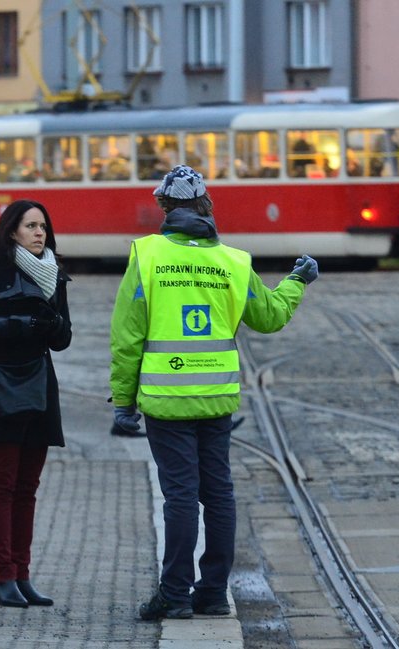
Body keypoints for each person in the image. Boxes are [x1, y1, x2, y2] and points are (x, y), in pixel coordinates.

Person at [109, 165, 318, 620]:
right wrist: (297, 281)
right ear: (206, 205)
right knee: (218, 492)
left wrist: (124, 403)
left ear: (164, 206)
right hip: (217, 396)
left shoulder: (146, 256)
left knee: (180, 495)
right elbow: (270, 317)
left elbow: (128, 337)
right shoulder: (234, 261)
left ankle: (175, 595)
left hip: (167, 399)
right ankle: (212, 593)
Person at [0, 199, 72, 608]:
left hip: (39, 385)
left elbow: (63, 339)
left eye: (43, 225)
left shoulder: (54, 272)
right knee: (2, 484)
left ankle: (23, 575)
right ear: (12, 232)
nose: (39, 233)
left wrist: (52, 324)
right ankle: (2, 576)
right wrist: (16, 325)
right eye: (30, 226)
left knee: (28, 488)